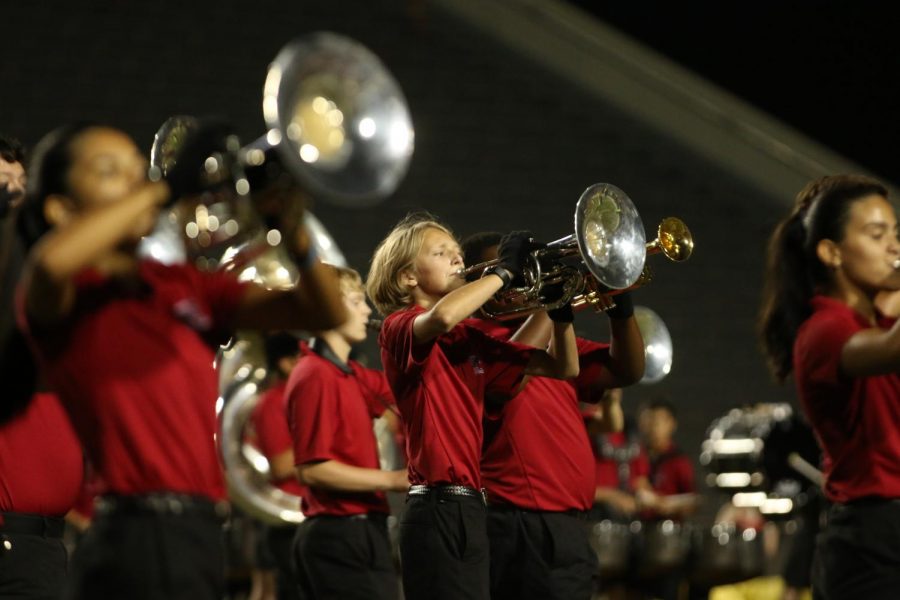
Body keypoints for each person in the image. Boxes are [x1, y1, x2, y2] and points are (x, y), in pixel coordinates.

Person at [15, 122, 347, 600]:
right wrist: (166, 186)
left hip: (199, 531)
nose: (136, 183)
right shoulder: (69, 294)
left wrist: (290, 229)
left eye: (138, 172)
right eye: (110, 171)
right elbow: (50, 263)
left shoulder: (181, 283)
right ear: (61, 209)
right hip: (136, 530)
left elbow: (323, 312)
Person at [366, 214, 580, 600]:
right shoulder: (398, 326)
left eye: (457, 253)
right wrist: (504, 272)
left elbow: (564, 367)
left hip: (470, 508)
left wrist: (559, 310)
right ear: (407, 277)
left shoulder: (469, 340)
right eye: (440, 252)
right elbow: (443, 316)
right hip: (435, 507)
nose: (457, 259)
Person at [460, 230, 645, 600]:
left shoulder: (555, 343)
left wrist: (620, 307)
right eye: (516, 269)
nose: (526, 278)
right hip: (516, 522)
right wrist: (551, 298)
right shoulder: (470, 339)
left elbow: (625, 370)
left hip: (566, 523)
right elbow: (507, 377)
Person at [758, 174, 900, 599]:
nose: (894, 246)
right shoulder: (824, 330)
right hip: (871, 544)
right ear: (831, 252)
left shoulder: (878, 318)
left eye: (895, 233)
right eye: (877, 235)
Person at [287, 264, 407, 600]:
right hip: (340, 535)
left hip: (360, 530)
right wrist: (394, 479)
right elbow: (312, 470)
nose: (367, 311)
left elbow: (408, 396)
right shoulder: (315, 374)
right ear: (327, 309)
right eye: (356, 302)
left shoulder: (350, 373)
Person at [248, 331, 306, 600]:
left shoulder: (303, 397)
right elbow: (281, 466)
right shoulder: (272, 403)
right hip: (290, 521)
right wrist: (328, 439)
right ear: (285, 363)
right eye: (302, 357)